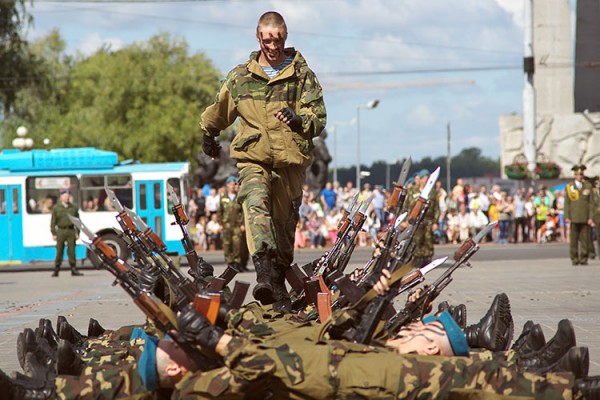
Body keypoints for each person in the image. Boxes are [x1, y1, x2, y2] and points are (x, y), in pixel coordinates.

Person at [199, 11, 327, 307]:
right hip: (253, 159)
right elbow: (220, 109)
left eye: (279, 39)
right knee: (254, 204)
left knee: (284, 228)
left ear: (286, 37)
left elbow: (318, 119)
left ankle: (278, 286)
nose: (273, 45)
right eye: (268, 39)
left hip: (290, 161)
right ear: (258, 38)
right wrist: (209, 134)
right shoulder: (240, 77)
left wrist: (299, 120)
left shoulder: (301, 75)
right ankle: (264, 276)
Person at [218, 176, 250, 272]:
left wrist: (243, 224)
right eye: (231, 184)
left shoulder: (239, 197)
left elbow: (243, 212)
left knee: (237, 245)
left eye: (234, 184)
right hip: (226, 225)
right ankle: (230, 263)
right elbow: (220, 211)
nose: (233, 186)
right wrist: (220, 223)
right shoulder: (223, 197)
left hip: (237, 225)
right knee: (227, 245)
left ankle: (237, 263)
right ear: (227, 185)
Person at [564, 164, 595, 266]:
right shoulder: (569, 187)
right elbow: (567, 203)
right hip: (574, 217)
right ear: (574, 175)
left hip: (585, 217)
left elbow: (591, 203)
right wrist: (567, 216)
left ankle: (584, 258)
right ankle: (574, 258)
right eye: (578, 174)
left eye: (581, 174)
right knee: (573, 240)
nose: (580, 176)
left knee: (585, 239)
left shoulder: (588, 187)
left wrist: (591, 217)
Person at [50, 189, 83, 277]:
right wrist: (54, 233)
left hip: (71, 230)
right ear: (61, 197)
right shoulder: (56, 208)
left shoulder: (73, 208)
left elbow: (78, 221)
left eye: (68, 196)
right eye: (65, 196)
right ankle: (56, 269)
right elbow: (53, 221)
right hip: (61, 231)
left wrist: (77, 232)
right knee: (59, 250)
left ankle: (73, 269)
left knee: (71, 251)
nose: (67, 197)